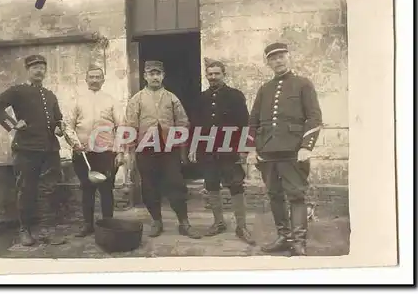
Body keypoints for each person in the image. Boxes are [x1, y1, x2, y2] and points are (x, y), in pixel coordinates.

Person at [248, 43, 323, 256]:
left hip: (293, 151)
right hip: (267, 152)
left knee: (296, 195)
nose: (278, 61)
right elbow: (253, 120)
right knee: (274, 195)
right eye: (273, 58)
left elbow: (314, 117)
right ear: (268, 63)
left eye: (281, 56)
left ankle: (299, 242)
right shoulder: (265, 89)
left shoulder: (303, 84)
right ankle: (283, 237)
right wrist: (252, 149)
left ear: (288, 57)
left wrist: (306, 146)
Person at [0, 54, 66, 246]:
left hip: (49, 150)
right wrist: (13, 124)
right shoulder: (18, 91)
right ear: (27, 70)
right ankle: (25, 230)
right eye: (35, 67)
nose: (39, 70)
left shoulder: (50, 95)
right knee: (26, 190)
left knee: (48, 190)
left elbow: (58, 118)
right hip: (26, 150)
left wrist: (60, 127)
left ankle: (45, 230)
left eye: (42, 67)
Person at [124, 60, 202, 239]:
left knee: (176, 183)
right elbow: (130, 125)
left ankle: (184, 222)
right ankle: (156, 221)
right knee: (150, 186)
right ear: (145, 76)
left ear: (163, 76)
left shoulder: (172, 98)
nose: (154, 77)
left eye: (158, 73)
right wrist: (130, 152)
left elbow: (182, 123)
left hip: (169, 150)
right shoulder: (137, 99)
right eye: (151, 73)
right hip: (146, 149)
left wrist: (182, 150)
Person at [188, 59, 256, 245]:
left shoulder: (235, 96)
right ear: (206, 76)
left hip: (230, 150)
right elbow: (195, 126)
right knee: (211, 185)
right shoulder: (201, 98)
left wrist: (244, 149)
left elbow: (244, 124)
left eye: (217, 73)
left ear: (224, 75)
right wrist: (193, 146)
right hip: (207, 151)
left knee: (235, 185)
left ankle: (241, 226)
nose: (213, 77)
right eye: (210, 74)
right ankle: (218, 223)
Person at [63, 67, 125, 237]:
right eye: (91, 77)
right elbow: (68, 126)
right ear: (86, 79)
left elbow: (121, 127)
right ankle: (87, 225)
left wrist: (119, 151)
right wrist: (75, 144)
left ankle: (108, 224)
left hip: (105, 152)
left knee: (106, 189)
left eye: (98, 77)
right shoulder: (77, 101)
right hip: (83, 153)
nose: (95, 80)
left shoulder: (112, 101)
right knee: (87, 188)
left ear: (103, 80)